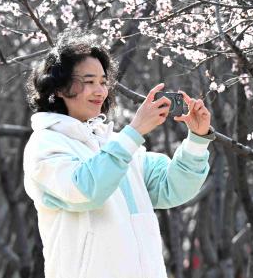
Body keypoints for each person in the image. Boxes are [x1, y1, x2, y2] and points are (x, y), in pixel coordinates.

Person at [22, 35, 215, 278]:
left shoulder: (116, 143)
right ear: (59, 87)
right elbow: (86, 190)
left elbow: (172, 188)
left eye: (103, 82)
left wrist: (197, 140)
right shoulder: (45, 144)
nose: (100, 90)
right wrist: (134, 132)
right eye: (89, 81)